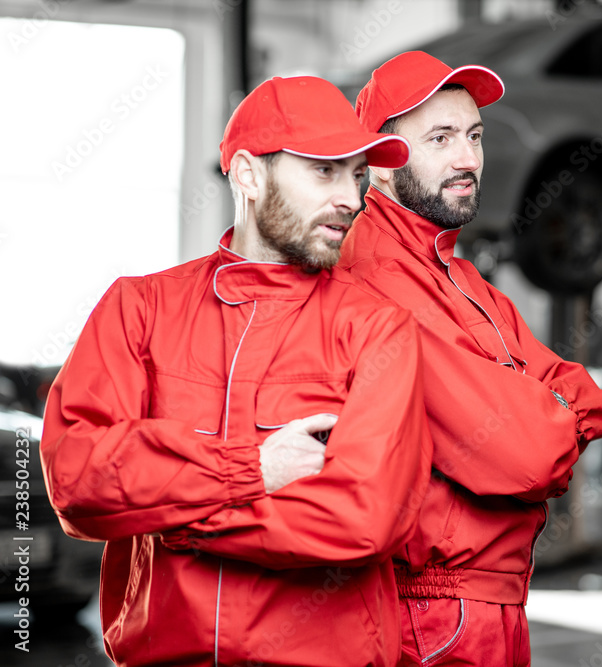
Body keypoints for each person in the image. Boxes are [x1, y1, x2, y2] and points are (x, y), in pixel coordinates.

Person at [40, 76, 433, 667]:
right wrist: (252, 468)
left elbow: (362, 519)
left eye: (356, 175)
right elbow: (77, 480)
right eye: (325, 171)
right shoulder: (138, 309)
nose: (352, 198)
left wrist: (171, 518)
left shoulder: (379, 330)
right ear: (249, 175)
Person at [339, 51, 602, 666]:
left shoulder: (461, 278)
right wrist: (544, 414)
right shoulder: (378, 277)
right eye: (439, 138)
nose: (467, 159)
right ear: (380, 164)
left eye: (474, 136)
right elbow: (527, 455)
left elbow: (589, 396)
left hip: (490, 604)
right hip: (434, 615)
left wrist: (548, 412)